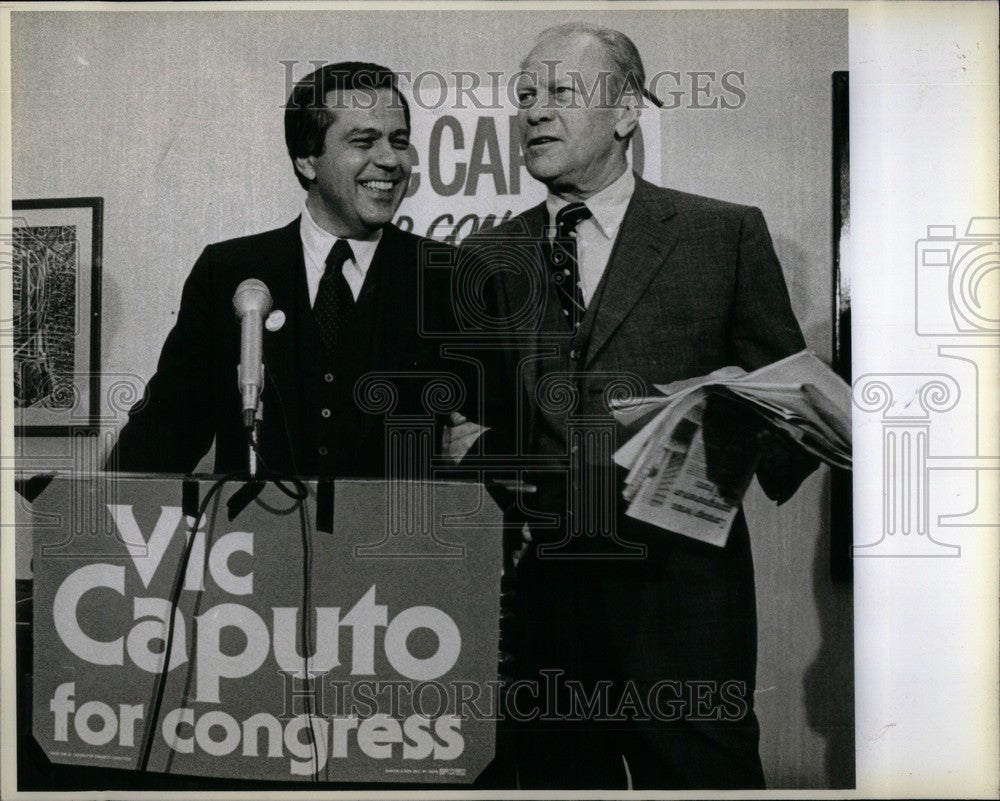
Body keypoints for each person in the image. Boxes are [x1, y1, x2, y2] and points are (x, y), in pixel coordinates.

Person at [455, 23, 819, 790]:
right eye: (525, 95)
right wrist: (475, 449)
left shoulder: (723, 234)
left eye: (561, 92)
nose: (533, 112)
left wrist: (766, 426)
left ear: (625, 111)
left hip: (684, 606)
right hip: (542, 605)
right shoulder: (486, 258)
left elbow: (792, 414)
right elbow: (469, 429)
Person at [108, 62, 460, 477]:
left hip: (394, 539)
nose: (390, 160)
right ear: (307, 161)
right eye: (364, 141)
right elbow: (163, 436)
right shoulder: (226, 272)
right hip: (254, 540)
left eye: (399, 141)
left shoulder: (449, 277)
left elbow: (489, 436)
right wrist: (101, 510)